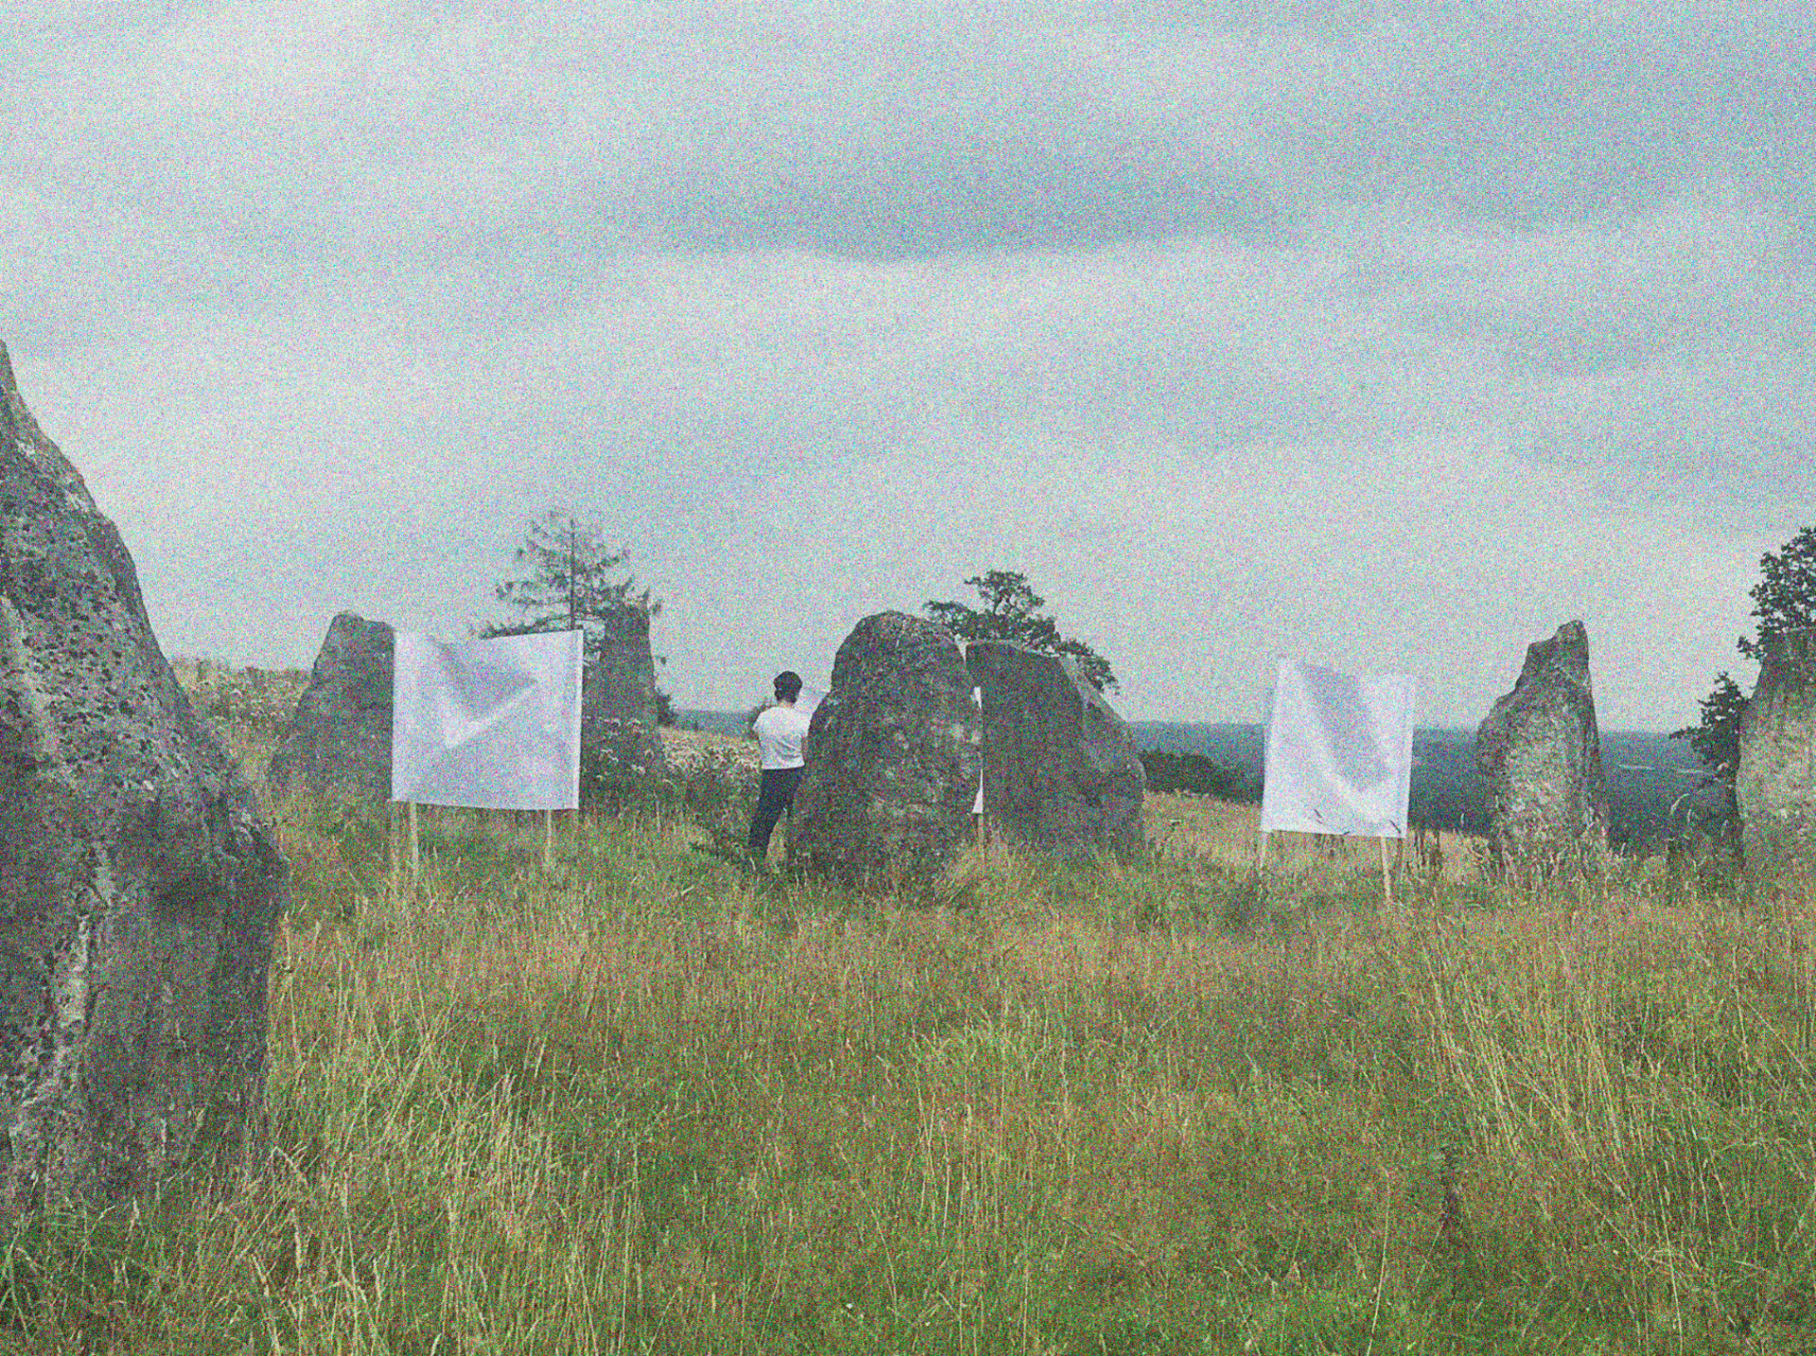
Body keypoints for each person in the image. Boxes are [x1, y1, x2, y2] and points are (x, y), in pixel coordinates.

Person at [748, 670, 813, 865]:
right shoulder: (802, 720)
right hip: (795, 775)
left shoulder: (763, 719)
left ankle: (754, 864)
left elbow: (759, 742)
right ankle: (796, 866)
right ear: (797, 693)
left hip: (771, 774)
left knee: (762, 825)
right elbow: (806, 753)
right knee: (798, 825)